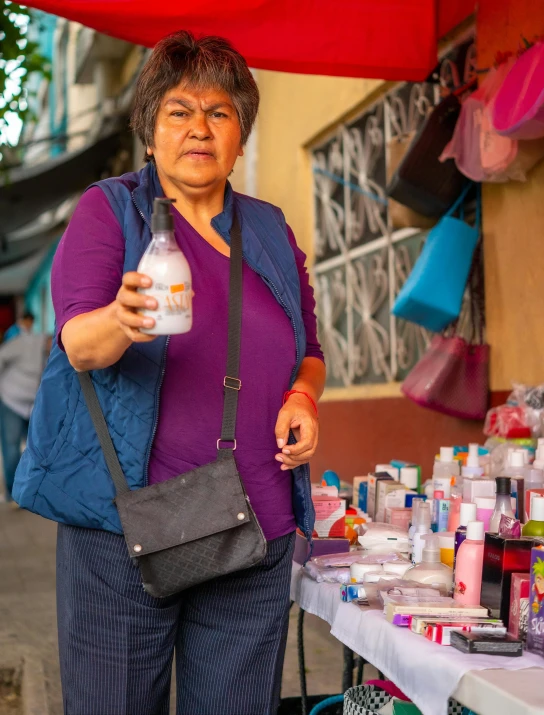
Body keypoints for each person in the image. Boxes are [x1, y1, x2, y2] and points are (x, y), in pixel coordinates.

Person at [13, 31, 325, 715]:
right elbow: (79, 343)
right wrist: (121, 320)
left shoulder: (270, 230)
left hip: (255, 530)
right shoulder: (110, 211)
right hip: (123, 534)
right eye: (179, 111)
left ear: (240, 134)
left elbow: (309, 346)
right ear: (151, 132)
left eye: (220, 112)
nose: (200, 128)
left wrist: (304, 395)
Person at [0, 330, 47, 503]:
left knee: (36, 448)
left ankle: (32, 491)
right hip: (11, 401)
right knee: (11, 449)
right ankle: (12, 494)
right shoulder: (24, 343)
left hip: (33, 405)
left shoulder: (55, 356)